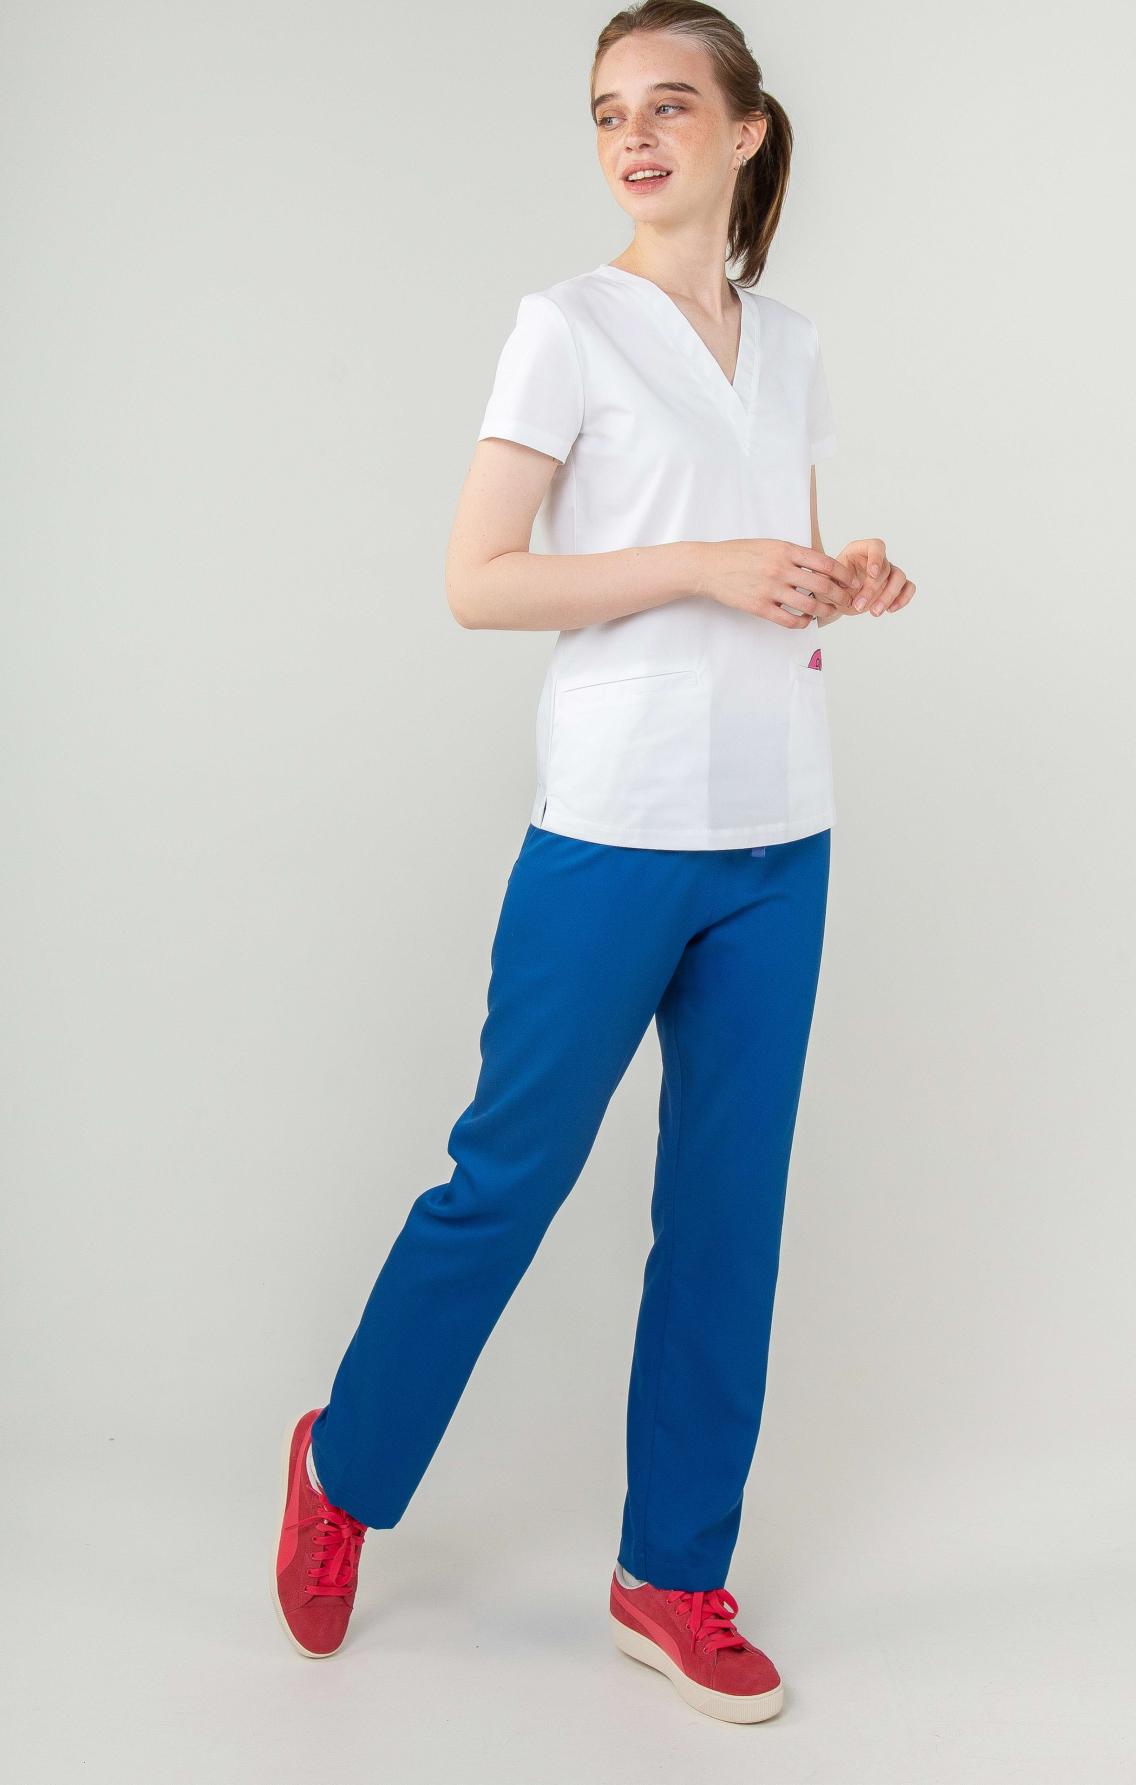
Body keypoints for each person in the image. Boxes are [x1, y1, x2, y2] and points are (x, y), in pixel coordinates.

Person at [271, 0, 915, 1723]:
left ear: (746, 131)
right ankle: (344, 1463)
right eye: (611, 111)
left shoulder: (790, 345)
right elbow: (480, 580)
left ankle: (671, 1573)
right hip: (614, 831)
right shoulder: (562, 328)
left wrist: (833, 577)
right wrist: (702, 561)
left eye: (670, 106)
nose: (635, 137)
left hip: (781, 828)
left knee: (728, 1211)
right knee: (508, 1177)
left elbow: (765, 565)